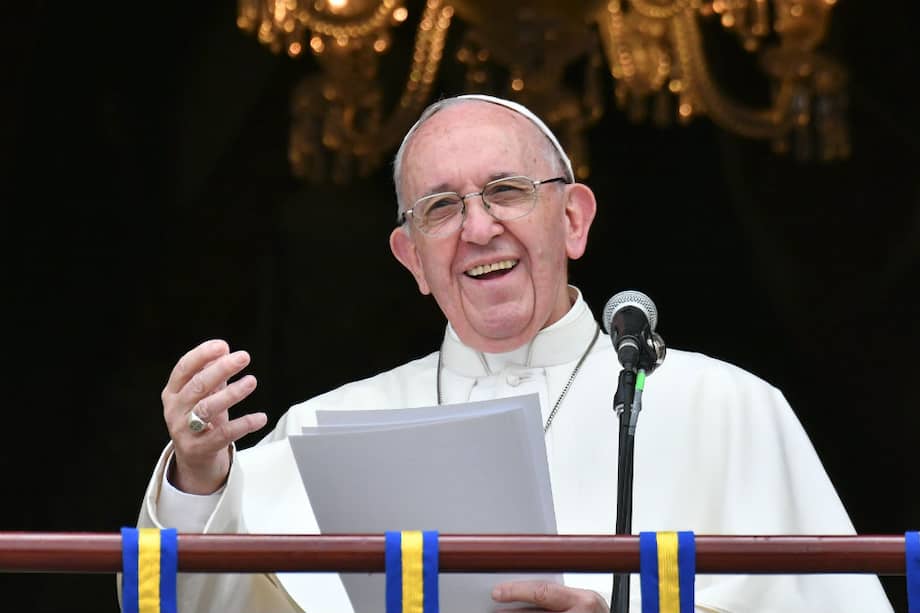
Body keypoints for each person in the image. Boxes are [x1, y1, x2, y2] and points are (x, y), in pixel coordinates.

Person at [132, 94, 893, 612]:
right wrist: (199, 479)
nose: (478, 227)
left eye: (505, 190)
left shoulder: (730, 407)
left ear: (573, 220)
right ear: (413, 260)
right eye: (441, 207)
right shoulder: (329, 424)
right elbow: (199, 604)